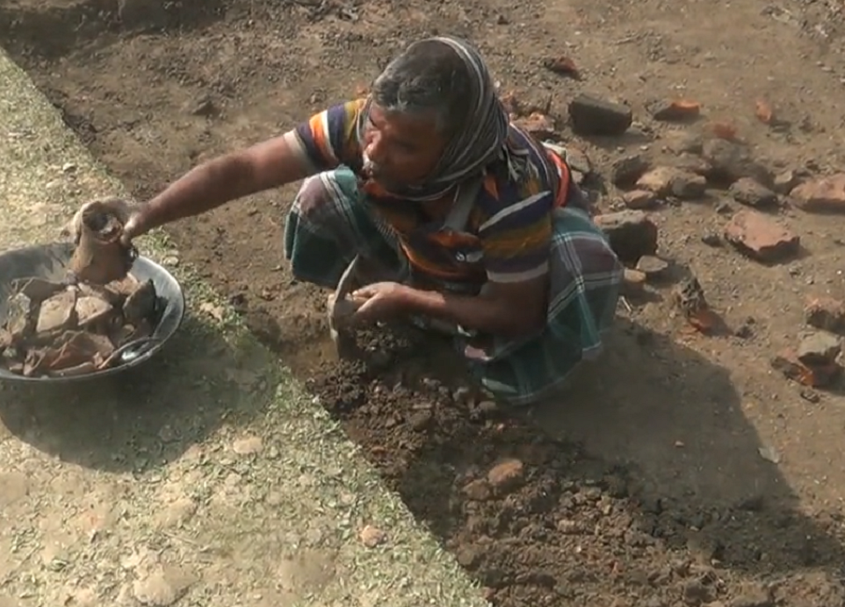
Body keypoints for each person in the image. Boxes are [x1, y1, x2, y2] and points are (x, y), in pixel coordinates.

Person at [105, 36, 623, 405]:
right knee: (322, 195)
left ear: (455, 149)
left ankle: (488, 355)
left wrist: (407, 299)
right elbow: (245, 168)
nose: (375, 150)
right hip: (432, 245)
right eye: (375, 128)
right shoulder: (359, 124)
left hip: (510, 279)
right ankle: (423, 298)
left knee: (582, 264)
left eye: (406, 146)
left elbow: (518, 311)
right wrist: (147, 213)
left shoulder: (508, 190)